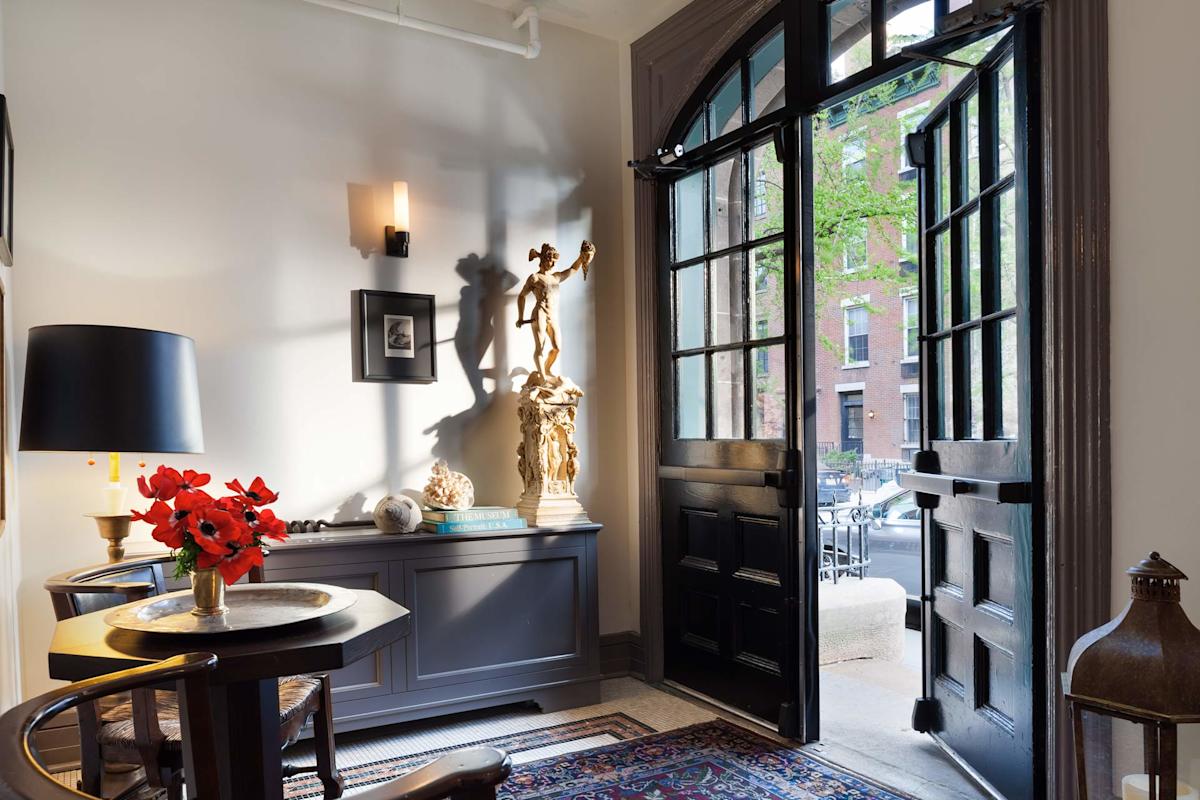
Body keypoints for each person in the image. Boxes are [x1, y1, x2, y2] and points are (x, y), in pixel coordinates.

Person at [516, 240, 595, 379]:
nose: (552, 264)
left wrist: (581, 257)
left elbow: (573, 269)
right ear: (542, 260)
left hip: (552, 315)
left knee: (557, 348)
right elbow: (521, 296)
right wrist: (520, 317)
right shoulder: (534, 278)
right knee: (540, 347)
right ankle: (542, 378)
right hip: (539, 313)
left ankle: (546, 370)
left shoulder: (556, 277)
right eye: (550, 260)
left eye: (554, 261)